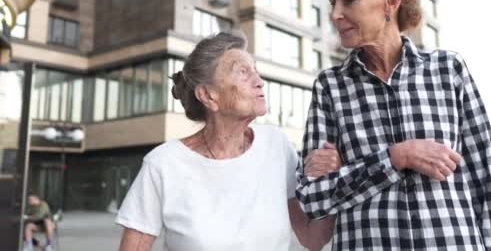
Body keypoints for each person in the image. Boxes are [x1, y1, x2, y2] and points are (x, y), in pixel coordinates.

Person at [296, 0, 491, 250]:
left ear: (390, 1)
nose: (335, 14)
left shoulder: (449, 70)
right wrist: (396, 157)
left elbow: (488, 181)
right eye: (333, 3)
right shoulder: (330, 86)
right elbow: (313, 197)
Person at [115, 32, 336, 251]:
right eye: (243, 72)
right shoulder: (163, 164)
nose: (259, 82)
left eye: (256, 72)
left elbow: (312, 239)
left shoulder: (276, 145)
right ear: (209, 95)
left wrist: (331, 181)